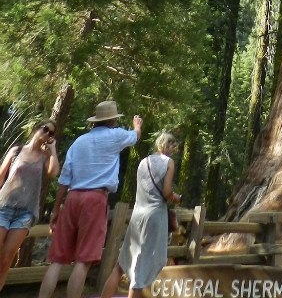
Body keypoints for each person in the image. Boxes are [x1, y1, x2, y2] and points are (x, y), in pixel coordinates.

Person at [38, 100, 142, 298]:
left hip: (72, 197)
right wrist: (137, 126)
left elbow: (65, 178)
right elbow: (135, 137)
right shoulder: (116, 136)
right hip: (95, 199)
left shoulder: (79, 142)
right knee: (83, 260)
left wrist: (56, 208)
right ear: (112, 120)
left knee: (57, 260)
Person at [100, 132, 180, 298]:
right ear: (166, 145)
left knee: (122, 264)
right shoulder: (168, 163)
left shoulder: (144, 162)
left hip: (138, 214)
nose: (172, 150)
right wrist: (175, 197)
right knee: (141, 268)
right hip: (154, 216)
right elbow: (166, 192)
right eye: (172, 147)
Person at [0, 121, 60, 291]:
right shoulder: (16, 150)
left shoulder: (45, 156)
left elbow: (53, 172)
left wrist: (53, 150)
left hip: (25, 213)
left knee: (6, 259)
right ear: (36, 129)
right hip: (4, 206)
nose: (47, 134)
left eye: (51, 133)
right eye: (45, 129)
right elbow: (1, 176)